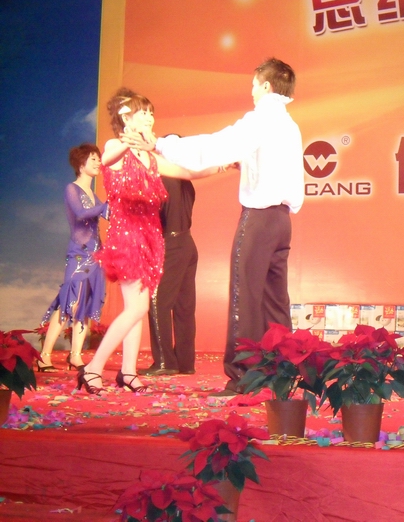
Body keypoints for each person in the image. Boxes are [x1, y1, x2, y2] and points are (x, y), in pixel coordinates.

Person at [129, 58, 304, 395]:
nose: (252, 91)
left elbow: (215, 145)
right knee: (275, 300)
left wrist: (160, 144)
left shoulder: (261, 118)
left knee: (245, 297)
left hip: (259, 218)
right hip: (282, 221)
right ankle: (281, 373)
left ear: (266, 86)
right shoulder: (289, 125)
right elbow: (256, 160)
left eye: (254, 84)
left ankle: (242, 376)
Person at [77, 89, 221, 394]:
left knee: (137, 307)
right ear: (127, 117)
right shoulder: (116, 146)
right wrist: (129, 140)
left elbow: (188, 172)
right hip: (127, 236)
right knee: (139, 306)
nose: (149, 117)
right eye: (143, 112)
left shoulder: (152, 157)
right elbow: (107, 159)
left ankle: (128, 373)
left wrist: (222, 165)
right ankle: (92, 369)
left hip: (151, 237)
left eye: (151, 112)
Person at [38, 143, 108, 372]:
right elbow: (81, 213)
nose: (98, 162)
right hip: (79, 254)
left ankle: (75, 356)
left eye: (98, 158)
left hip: (95, 255)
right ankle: (44, 356)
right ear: (80, 164)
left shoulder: (94, 195)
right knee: (70, 302)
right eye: (93, 159)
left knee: (84, 305)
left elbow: (108, 213)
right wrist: (106, 206)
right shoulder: (72, 188)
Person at [140, 165, 199, 377]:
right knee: (184, 306)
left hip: (171, 244)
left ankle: (165, 361)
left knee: (158, 302)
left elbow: (156, 216)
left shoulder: (162, 180)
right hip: (187, 242)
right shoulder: (186, 181)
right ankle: (185, 362)